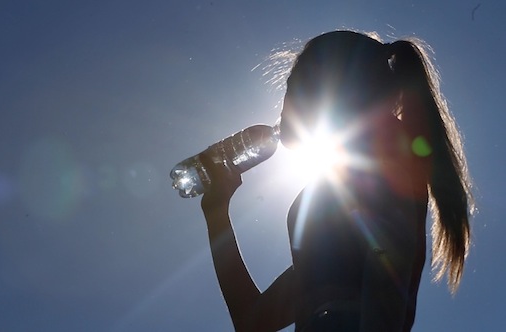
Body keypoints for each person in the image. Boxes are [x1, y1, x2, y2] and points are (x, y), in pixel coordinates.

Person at [199, 30, 473, 331]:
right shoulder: (334, 221)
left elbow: (385, 296)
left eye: (292, 88)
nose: (283, 107)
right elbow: (252, 321)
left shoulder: (385, 169)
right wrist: (216, 213)